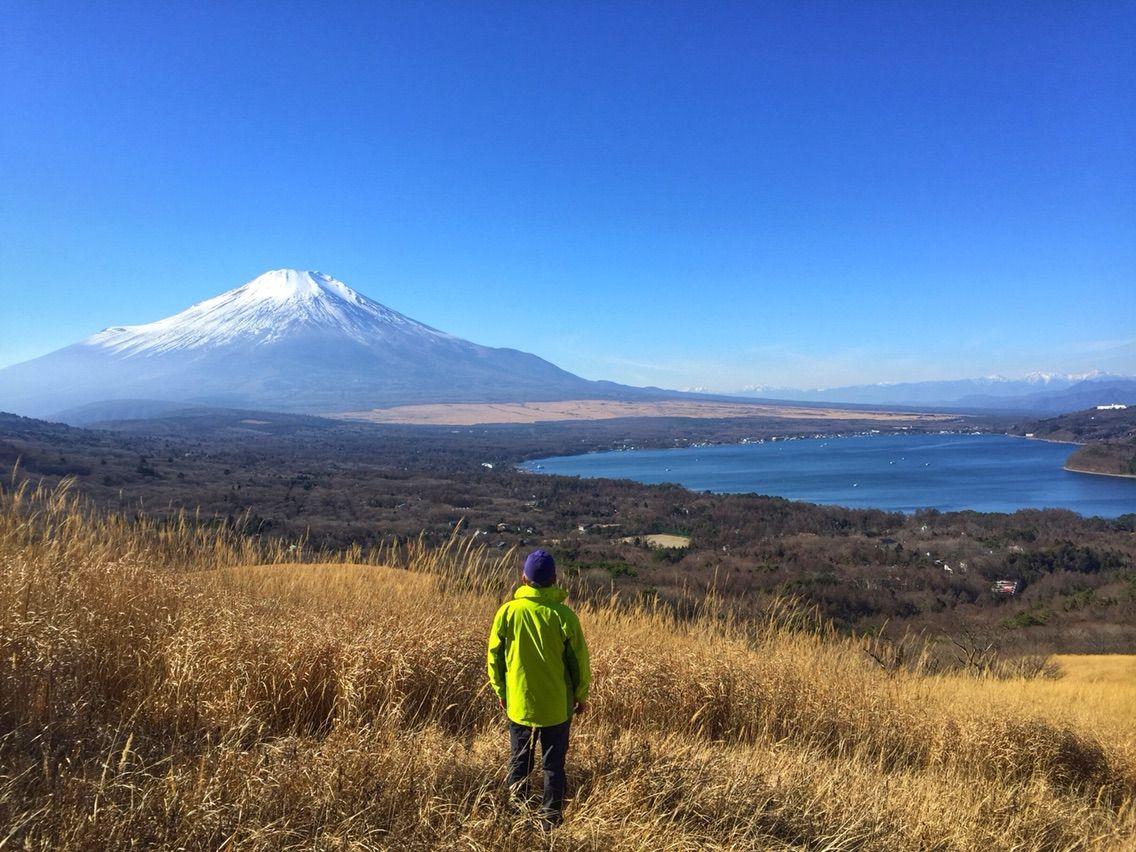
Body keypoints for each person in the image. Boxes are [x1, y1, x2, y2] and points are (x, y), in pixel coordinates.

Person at [487, 548, 590, 827]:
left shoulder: (507, 612)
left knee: (519, 759)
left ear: (523, 578)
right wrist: (581, 695)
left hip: (519, 703)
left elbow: (494, 657)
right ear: (554, 579)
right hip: (557, 706)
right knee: (553, 764)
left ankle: (516, 812)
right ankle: (550, 819)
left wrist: (501, 692)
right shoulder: (564, 616)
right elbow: (578, 662)